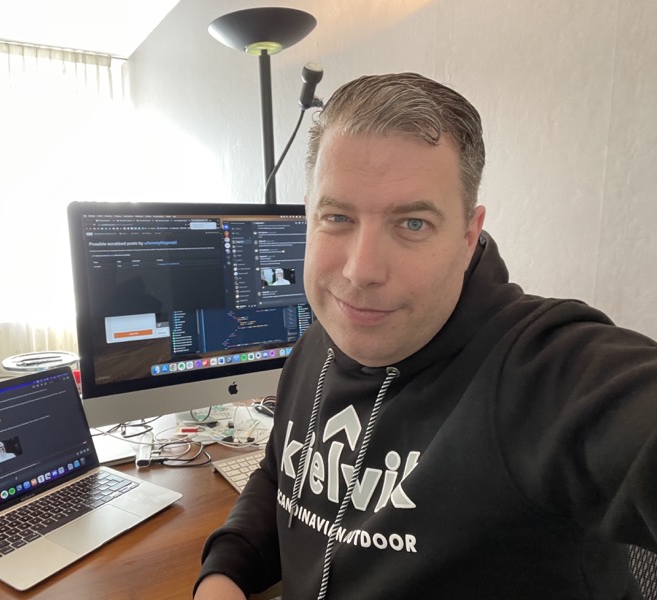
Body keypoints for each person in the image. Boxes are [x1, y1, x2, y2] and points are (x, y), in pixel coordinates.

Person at [193, 72, 657, 599]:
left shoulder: (541, 372)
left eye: (412, 223)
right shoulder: (319, 342)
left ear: (468, 235)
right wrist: (225, 571)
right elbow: (283, 475)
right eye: (337, 216)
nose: (360, 271)